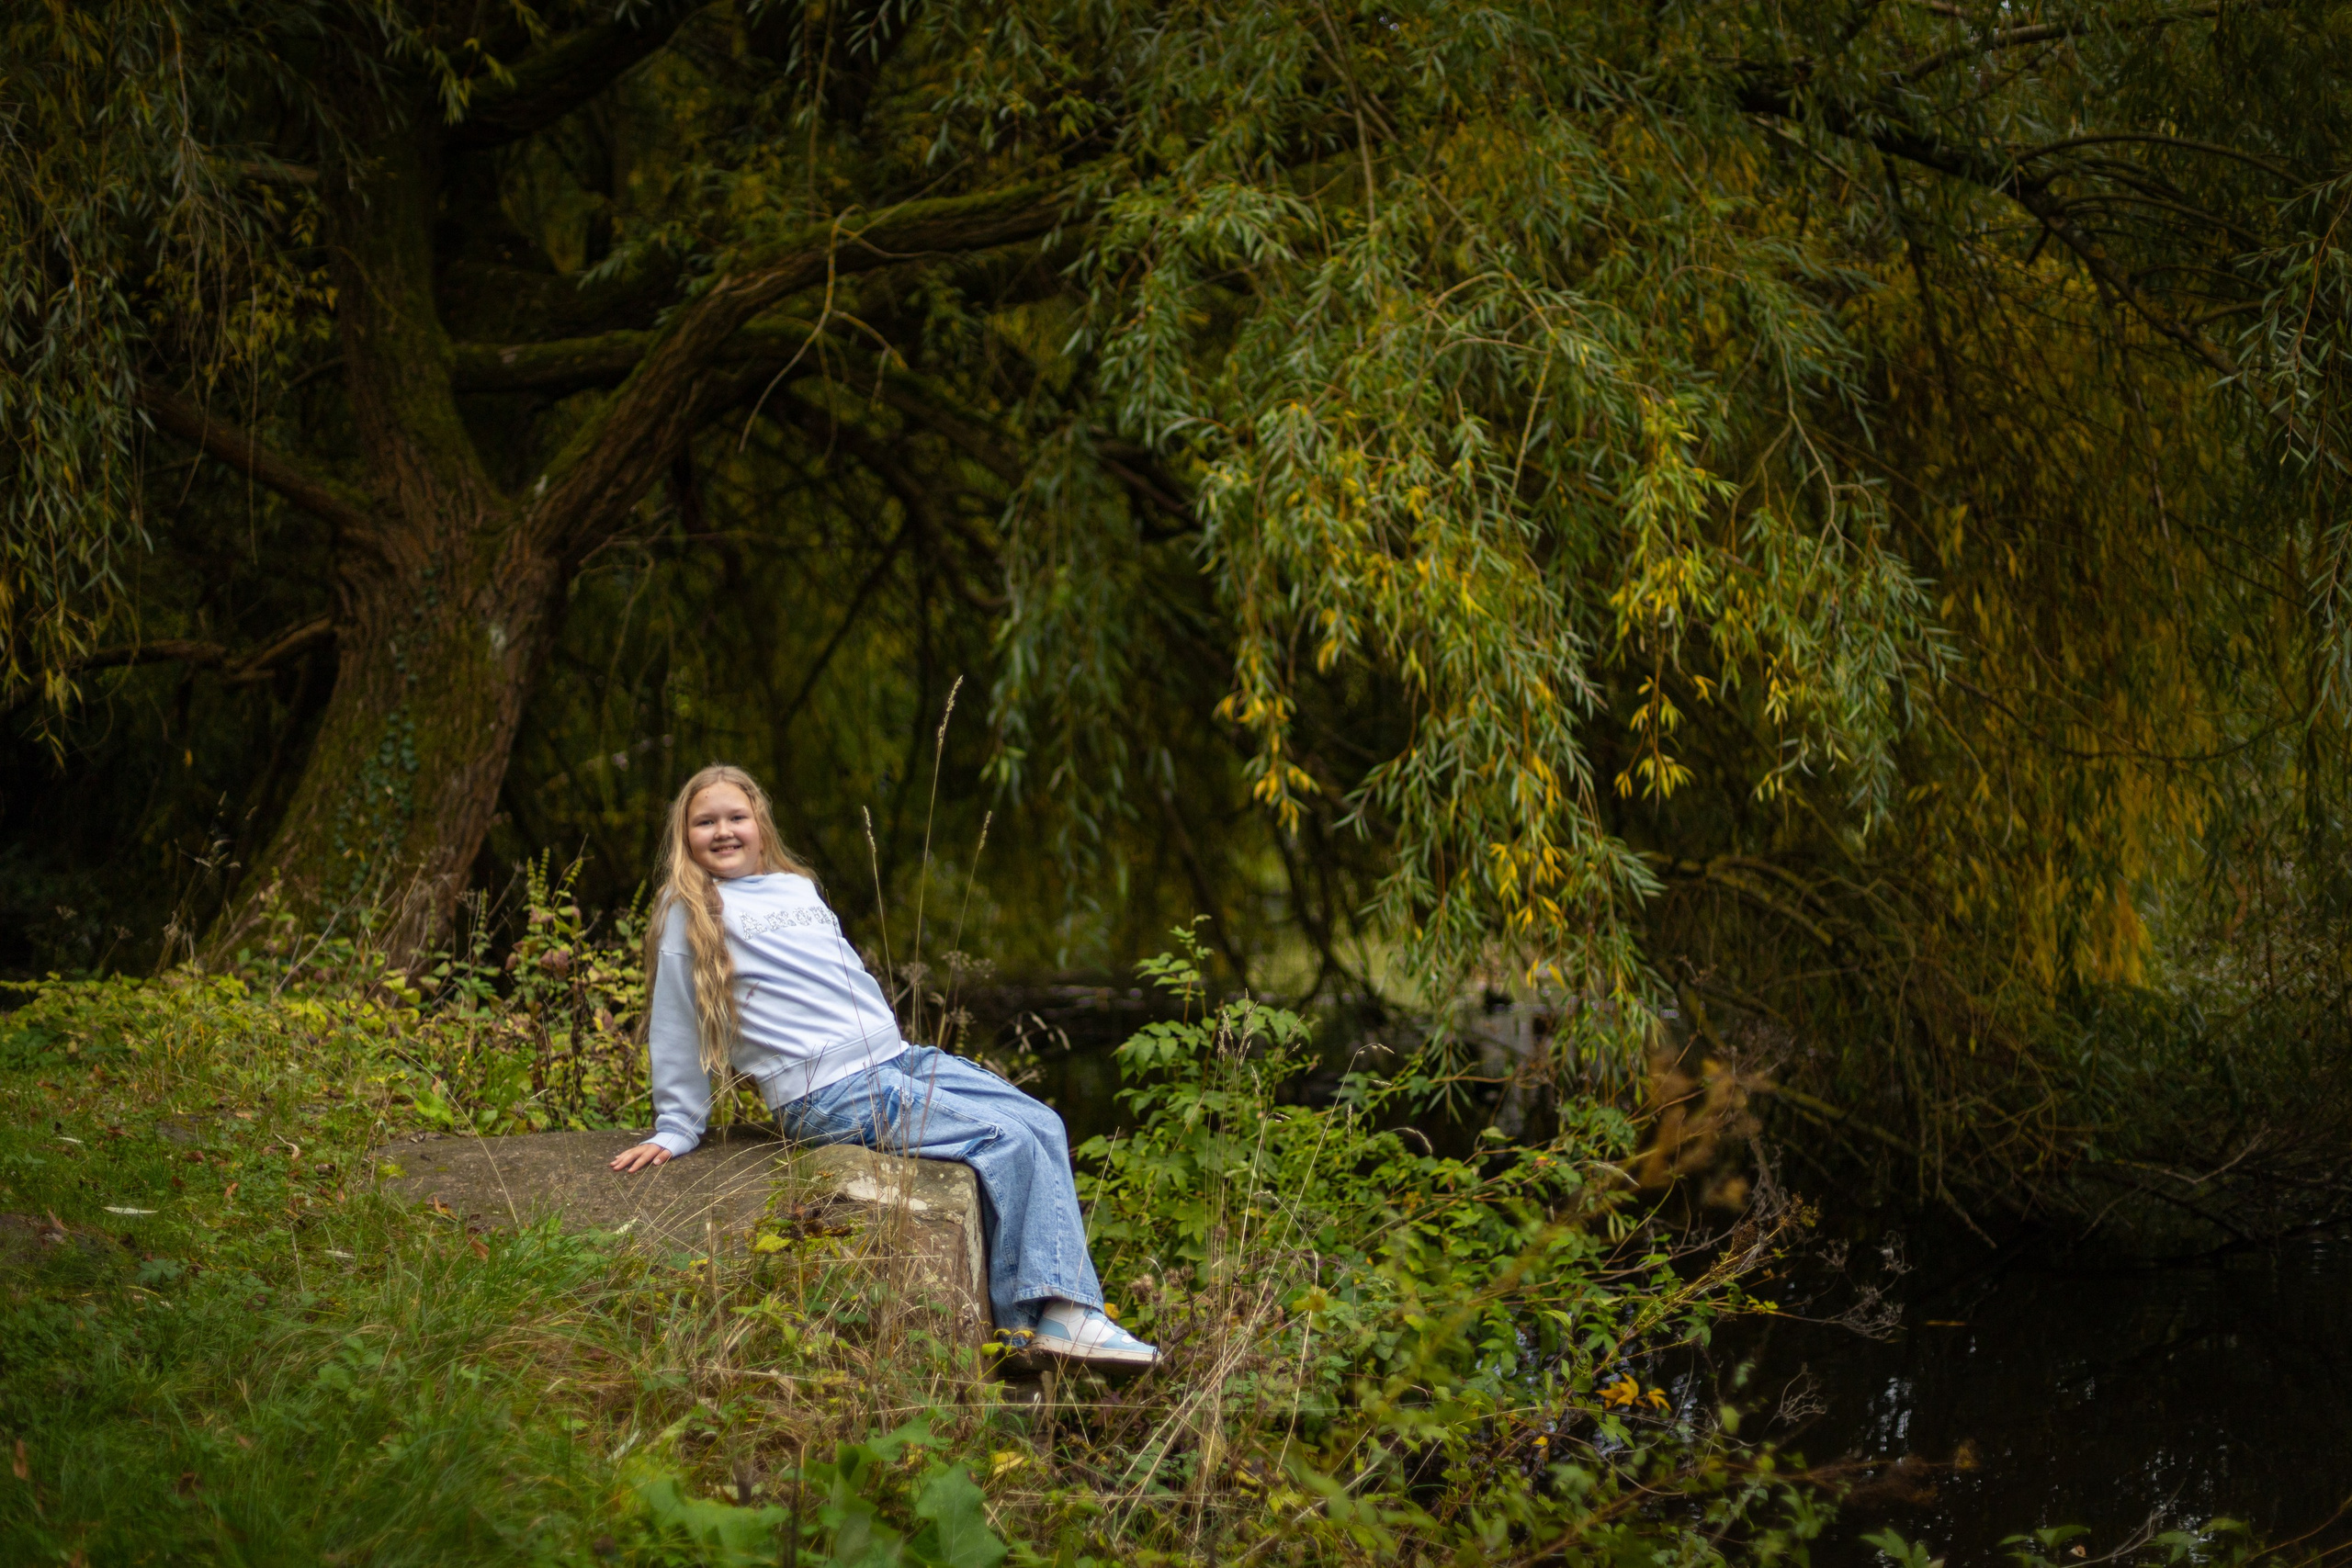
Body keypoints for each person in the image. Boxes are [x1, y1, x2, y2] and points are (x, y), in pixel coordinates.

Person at [607, 763, 1157, 1369]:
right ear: (685, 836)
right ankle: (1045, 1322)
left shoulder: (794, 887)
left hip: (893, 1060)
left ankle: (1043, 1325)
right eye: (704, 822)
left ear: (760, 824)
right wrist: (678, 1124)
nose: (723, 831)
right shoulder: (689, 908)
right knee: (1006, 1141)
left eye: (735, 817)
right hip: (827, 1091)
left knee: (1043, 1123)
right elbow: (675, 1022)